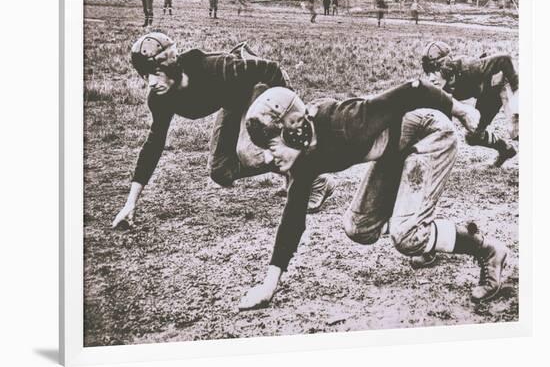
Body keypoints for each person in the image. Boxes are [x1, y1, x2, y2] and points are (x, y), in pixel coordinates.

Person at [238, 81, 508, 310]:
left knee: (406, 235)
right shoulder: (303, 159)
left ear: (293, 128)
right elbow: (292, 220)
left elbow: (413, 89)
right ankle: (425, 235)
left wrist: (459, 110)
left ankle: (486, 249)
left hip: (430, 134)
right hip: (396, 149)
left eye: (271, 145)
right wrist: (268, 286)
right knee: (359, 228)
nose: (268, 156)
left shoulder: (344, 121)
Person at [112, 33, 336, 229]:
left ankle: (314, 176)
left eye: (156, 72)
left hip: (264, 86)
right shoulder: (161, 98)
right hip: (234, 100)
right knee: (220, 171)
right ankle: (292, 172)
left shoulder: (217, 67)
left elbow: (270, 69)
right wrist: (130, 202)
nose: (151, 82)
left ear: (170, 65)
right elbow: (154, 145)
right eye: (145, 75)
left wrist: (287, 119)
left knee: (249, 153)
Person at [421, 41, 518, 167]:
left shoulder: (468, 67)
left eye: (435, 71)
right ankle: (505, 150)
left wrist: (518, 95)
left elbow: (505, 60)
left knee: (516, 130)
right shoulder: (440, 88)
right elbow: (445, 125)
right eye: (428, 73)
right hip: (488, 95)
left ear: (446, 67)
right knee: (473, 136)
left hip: (503, 80)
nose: (431, 78)